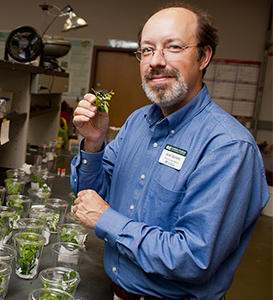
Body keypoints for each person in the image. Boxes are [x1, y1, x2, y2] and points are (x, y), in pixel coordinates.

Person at [70, 1, 270, 300]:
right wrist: (94, 144)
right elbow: (89, 197)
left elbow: (193, 259)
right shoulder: (137, 122)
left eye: (173, 47)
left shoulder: (227, 147)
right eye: (147, 50)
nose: (155, 61)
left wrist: (106, 219)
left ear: (204, 56)